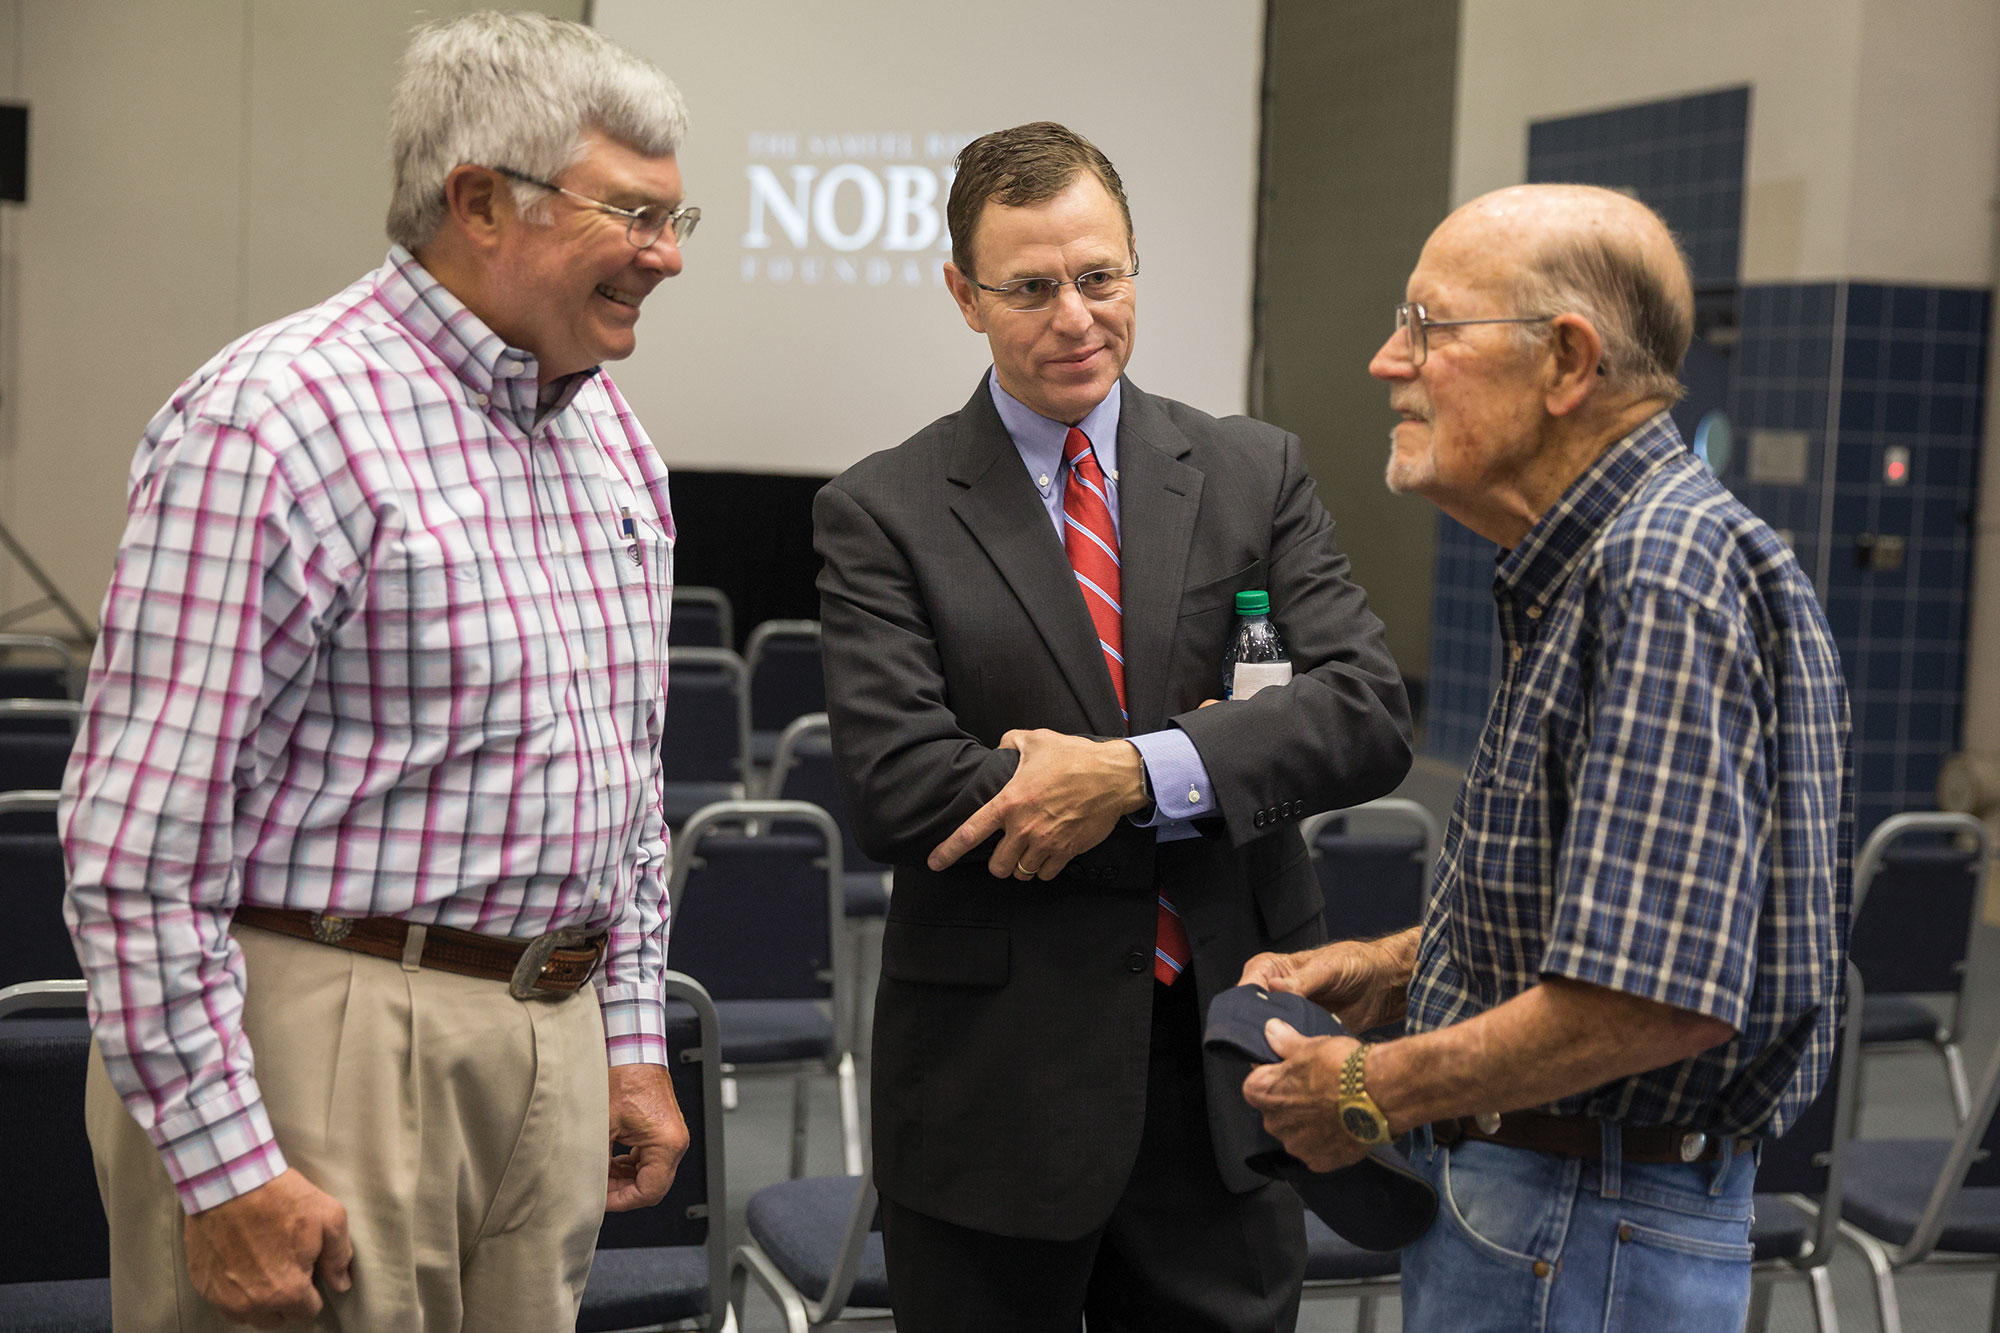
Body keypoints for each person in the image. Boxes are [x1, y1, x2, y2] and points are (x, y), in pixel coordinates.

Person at [60, 13, 698, 1328]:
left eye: (679, 218)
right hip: (323, 1040)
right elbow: (139, 847)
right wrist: (226, 1167)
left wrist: (627, 1037)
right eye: (633, 215)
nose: (668, 257)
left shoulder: (612, 439)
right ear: (478, 200)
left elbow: (628, 786)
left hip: (550, 1036)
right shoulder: (274, 417)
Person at [815, 121, 1412, 1332]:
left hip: (1229, 1064)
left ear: (1133, 268)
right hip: (995, 1093)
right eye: (1030, 289)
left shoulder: (1253, 472)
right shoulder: (881, 510)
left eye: (1099, 277)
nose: (1073, 316)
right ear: (962, 296)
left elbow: (1362, 709)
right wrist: (1219, 760)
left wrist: (1136, 774)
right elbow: (897, 786)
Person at [1239, 184, 1852, 1332]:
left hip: (1580, 1215)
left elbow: (1651, 998)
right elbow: (1615, 914)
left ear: (1565, 362)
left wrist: (1370, 1087)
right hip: (1565, 1209)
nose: (1386, 361)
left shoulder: (1657, 574)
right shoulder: (1608, 562)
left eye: (1426, 327)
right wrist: (1388, 971)